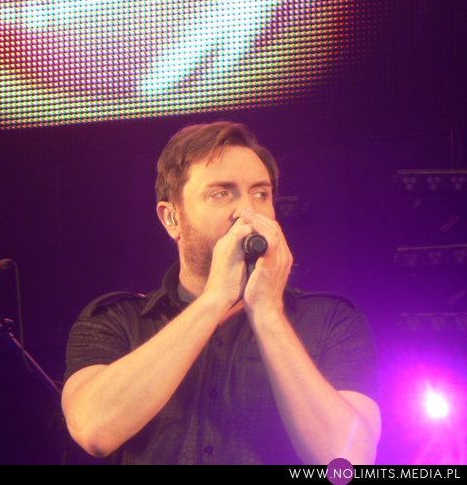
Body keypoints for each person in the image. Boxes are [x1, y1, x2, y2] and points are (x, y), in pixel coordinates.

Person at [61, 122, 381, 465]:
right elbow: (93, 430)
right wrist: (214, 299)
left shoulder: (331, 320)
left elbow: (348, 463)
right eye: (221, 193)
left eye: (261, 194)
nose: (248, 212)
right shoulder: (115, 319)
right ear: (171, 219)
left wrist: (268, 314)